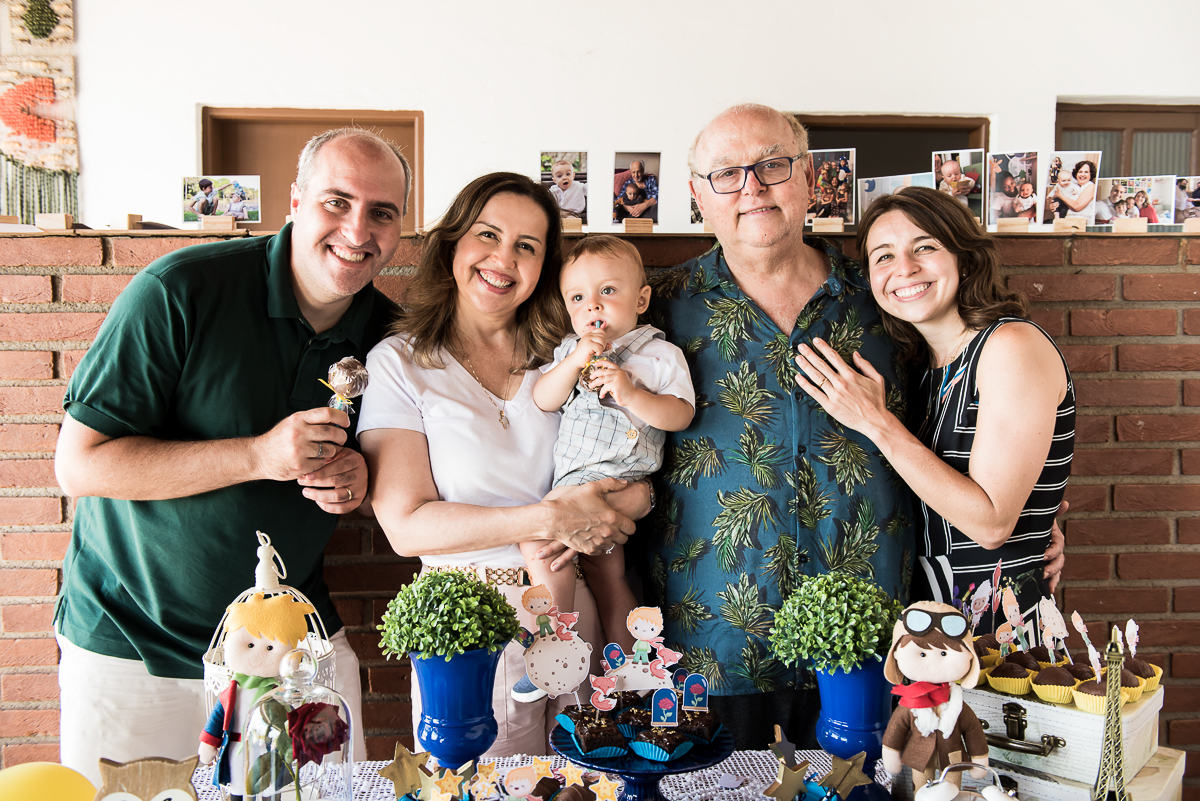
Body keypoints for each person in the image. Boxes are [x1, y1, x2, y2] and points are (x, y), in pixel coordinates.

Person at [639, 103, 1066, 752]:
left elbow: (972, 420)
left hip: (879, 642)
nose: (752, 187)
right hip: (712, 647)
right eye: (726, 173)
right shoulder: (654, 307)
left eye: (772, 165)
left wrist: (1037, 515)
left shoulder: (888, 295)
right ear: (698, 194)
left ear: (809, 176)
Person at [52, 128, 411, 786]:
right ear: (295, 202)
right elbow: (79, 465)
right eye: (336, 202)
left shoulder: (391, 337)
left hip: (295, 641)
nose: (358, 230)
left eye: (381, 212)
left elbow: (388, 479)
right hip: (133, 640)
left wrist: (359, 479)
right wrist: (258, 455)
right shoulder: (181, 290)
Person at [357, 172, 652, 757]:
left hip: (573, 611)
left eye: (527, 246)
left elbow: (629, 458)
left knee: (590, 783)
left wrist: (631, 501)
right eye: (487, 235)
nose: (503, 259)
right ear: (452, 244)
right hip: (470, 625)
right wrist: (549, 520)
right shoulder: (399, 362)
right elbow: (406, 526)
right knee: (483, 786)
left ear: (544, 267)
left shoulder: (567, 354)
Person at [793, 186, 1074, 634]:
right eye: (883, 256)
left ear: (965, 258)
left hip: (998, 634)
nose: (904, 268)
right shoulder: (922, 368)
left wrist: (876, 421)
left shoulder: (1011, 346)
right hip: (932, 630)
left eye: (924, 247)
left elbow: (991, 524)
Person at [511, 235, 695, 701]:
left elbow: (681, 414)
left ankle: (555, 648)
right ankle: (633, 672)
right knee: (607, 575)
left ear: (641, 299)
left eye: (607, 291)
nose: (592, 305)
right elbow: (543, 399)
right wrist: (574, 360)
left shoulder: (659, 355)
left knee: (539, 540)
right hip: (578, 481)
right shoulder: (570, 352)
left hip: (619, 476)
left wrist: (632, 394)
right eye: (577, 298)